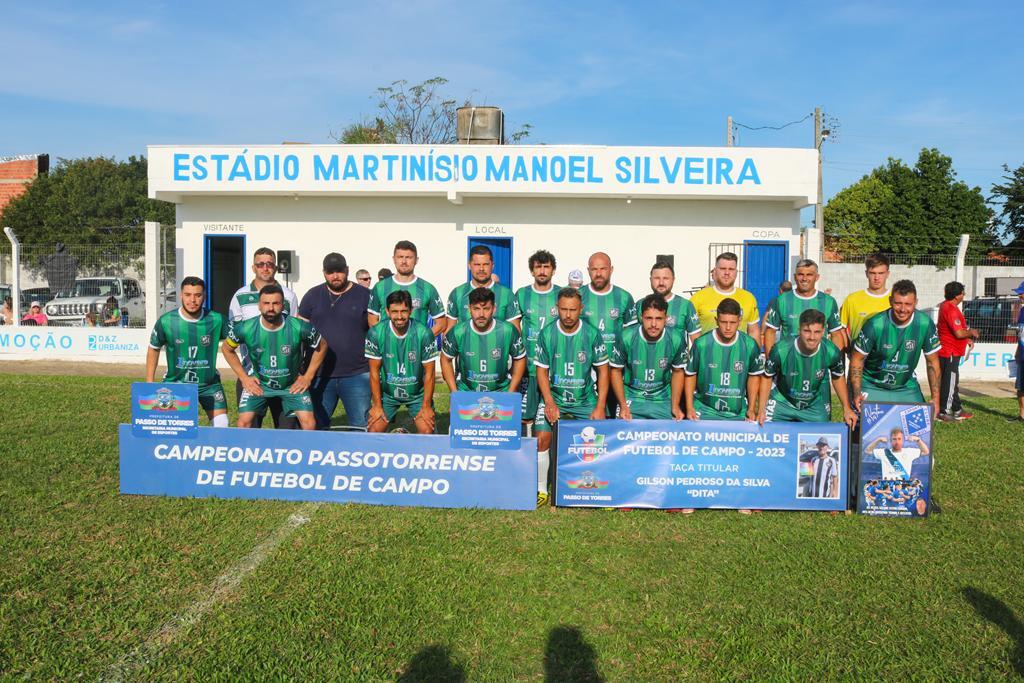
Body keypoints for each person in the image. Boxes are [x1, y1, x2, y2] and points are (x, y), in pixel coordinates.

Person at [534, 287, 610, 506]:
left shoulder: (592, 333)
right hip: (555, 397)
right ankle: (541, 490)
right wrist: (548, 401)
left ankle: (592, 488)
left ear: (581, 309)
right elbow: (542, 371)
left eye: (573, 310)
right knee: (541, 439)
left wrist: (599, 406)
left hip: (584, 399)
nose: (568, 315)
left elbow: (603, 370)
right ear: (556, 308)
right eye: (564, 309)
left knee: (597, 441)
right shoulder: (547, 333)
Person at [222, 284, 326, 430]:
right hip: (259, 383)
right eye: (266, 303)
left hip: (291, 384)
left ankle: (305, 452)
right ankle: (248, 451)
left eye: (275, 303)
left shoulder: (298, 326)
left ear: (283, 305)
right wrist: (244, 377)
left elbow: (322, 346)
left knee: (309, 423)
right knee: (243, 423)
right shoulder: (246, 327)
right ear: (259, 305)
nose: (270, 308)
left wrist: (308, 376)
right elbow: (226, 348)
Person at [298, 252, 372, 430]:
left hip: (357, 374)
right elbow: (298, 335)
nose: (335, 276)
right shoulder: (312, 296)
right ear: (324, 273)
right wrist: (301, 370)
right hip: (320, 375)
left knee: (360, 427)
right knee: (316, 426)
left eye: (339, 271)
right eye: (330, 272)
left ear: (347, 270)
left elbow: (377, 333)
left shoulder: (365, 295)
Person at [229, 247, 300, 429]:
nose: (265, 268)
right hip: (253, 377)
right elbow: (233, 336)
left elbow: (295, 334)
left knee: (287, 432)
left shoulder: (289, 296)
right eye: (261, 264)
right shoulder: (240, 296)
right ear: (253, 267)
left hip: (284, 377)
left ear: (275, 267)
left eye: (269, 264)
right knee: (250, 432)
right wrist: (244, 377)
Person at [146, 276, 229, 427]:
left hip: (209, 384)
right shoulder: (166, 321)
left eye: (198, 295)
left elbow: (239, 339)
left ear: (204, 296)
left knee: (222, 425)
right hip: (176, 383)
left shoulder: (217, 319)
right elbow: (154, 348)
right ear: (180, 295)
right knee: (176, 430)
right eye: (188, 295)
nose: (193, 300)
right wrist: (150, 382)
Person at [850, 280, 941, 415]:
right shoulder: (875, 324)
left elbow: (932, 362)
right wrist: (857, 392)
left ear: (916, 302)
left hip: (905, 386)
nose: (903, 309)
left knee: (919, 426)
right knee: (863, 426)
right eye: (898, 303)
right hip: (873, 384)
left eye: (908, 304)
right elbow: (857, 359)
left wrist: (936, 398)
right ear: (890, 300)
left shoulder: (924, 324)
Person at [758, 309, 857, 428]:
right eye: (807, 331)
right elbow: (766, 378)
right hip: (782, 400)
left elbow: (838, 377)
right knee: (765, 431)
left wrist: (846, 408)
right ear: (799, 330)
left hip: (813, 404)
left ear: (823, 332)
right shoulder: (781, 350)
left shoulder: (831, 351)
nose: (812, 337)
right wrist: (761, 410)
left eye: (817, 332)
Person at [365, 290, 439, 434]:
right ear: (387, 311)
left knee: (427, 432)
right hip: (388, 394)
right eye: (395, 311)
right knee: (373, 431)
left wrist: (426, 406)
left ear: (411, 310)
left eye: (404, 311)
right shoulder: (376, 333)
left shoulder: (424, 333)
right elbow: (374, 372)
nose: (399, 316)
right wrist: (377, 406)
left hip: (417, 394)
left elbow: (429, 373)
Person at [684, 297, 763, 421]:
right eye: (723, 322)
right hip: (704, 411)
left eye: (732, 322)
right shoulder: (701, 344)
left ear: (740, 321)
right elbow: (690, 375)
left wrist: (751, 409)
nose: (727, 327)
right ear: (716, 320)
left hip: (738, 413)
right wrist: (689, 408)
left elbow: (754, 377)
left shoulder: (750, 345)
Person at [610, 295, 687, 420]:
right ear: (641, 317)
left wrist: (675, 405)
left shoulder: (676, 339)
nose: (653, 324)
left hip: (662, 396)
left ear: (666, 319)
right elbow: (615, 371)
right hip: (632, 396)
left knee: (670, 435)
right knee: (623, 434)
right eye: (649, 318)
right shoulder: (626, 337)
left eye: (659, 318)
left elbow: (678, 372)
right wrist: (623, 405)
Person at [440, 287, 526, 393]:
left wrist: (511, 390)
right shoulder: (458, 332)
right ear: (469, 309)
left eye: (486, 309)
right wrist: (454, 392)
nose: (481, 314)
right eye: (476, 309)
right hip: (466, 392)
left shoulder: (508, 330)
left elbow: (520, 358)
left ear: (494, 309)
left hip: (501, 392)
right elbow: (445, 359)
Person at [580, 251, 635, 417]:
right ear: (588, 270)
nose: (598, 273)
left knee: (614, 415)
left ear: (611, 269)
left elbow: (630, 335)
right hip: (585, 366)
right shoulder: (579, 295)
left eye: (603, 269)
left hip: (615, 369)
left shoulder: (624, 297)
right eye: (594, 269)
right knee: (592, 415)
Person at [515, 250, 560, 436]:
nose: (542, 271)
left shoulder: (561, 294)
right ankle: (525, 457)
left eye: (546, 267)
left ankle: (548, 456)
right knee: (524, 417)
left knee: (552, 415)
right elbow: (515, 327)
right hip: (529, 368)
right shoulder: (521, 294)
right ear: (532, 271)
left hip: (555, 368)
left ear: (553, 270)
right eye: (538, 267)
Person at [762, 259, 844, 354]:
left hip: (819, 363)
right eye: (800, 274)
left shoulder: (829, 301)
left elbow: (836, 334)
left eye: (809, 275)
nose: (804, 278)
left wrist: (838, 364)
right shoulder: (781, 300)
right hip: (789, 362)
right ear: (795, 277)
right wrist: (770, 362)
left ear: (817, 277)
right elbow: (770, 332)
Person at [367, 241, 446, 336]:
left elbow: (441, 323)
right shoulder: (380, 287)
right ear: (394, 259)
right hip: (387, 349)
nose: (404, 261)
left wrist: (423, 340)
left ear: (416, 260)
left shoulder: (428, 289)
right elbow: (372, 318)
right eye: (400, 257)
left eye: (408, 257)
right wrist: (383, 338)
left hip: (417, 350)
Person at [445, 244, 521, 333]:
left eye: (486, 264)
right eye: (477, 264)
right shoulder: (457, 293)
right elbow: (449, 331)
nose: (481, 269)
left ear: (492, 266)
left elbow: (516, 332)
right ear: (469, 265)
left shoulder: (507, 295)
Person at [691, 252, 760, 342]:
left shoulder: (748, 298)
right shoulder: (698, 298)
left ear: (736, 272)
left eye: (731, 269)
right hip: (709, 355)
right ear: (715, 271)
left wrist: (755, 354)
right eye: (723, 269)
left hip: (739, 355)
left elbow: (753, 331)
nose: (727, 273)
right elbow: (692, 332)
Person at [936, 281, 979, 422]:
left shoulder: (945, 305)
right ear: (957, 296)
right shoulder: (952, 310)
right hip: (950, 352)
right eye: (962, 293)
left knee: (951, 382)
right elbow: (959, 333)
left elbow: (951, 331)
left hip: (948, 350)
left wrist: (967, 339)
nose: (964, 295)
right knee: (950, 382)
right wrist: (970, 332)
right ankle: (945, 411)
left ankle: (957, 408)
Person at [633, 260, 701, 342]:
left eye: (665, 278)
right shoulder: (639, 304)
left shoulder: (686, 305)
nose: (661, 283)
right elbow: (632, 337)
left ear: (673, 280)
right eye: (657, 278)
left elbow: (696, 342)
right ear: (650, 280)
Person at [840, 253, 892, 349]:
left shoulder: (895, 300)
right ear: (866, 273)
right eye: (872, 273)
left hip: (887, 360)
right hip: (858, 359)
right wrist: (848, 348)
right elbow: (840, 329)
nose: (876, 278)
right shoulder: (852, 299)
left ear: (888, 274)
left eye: (881, 273)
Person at [864, 427, 929, 480]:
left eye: (899, 439)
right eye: (894, 439)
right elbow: (867, 451)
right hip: (888, 488)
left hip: (903, 488)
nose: (897, 442)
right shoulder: (884, 452)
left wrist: (918, 440)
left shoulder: (909, 452)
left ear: (903, 440)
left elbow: (926, 452)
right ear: (891, 440)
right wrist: (878, 440)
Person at [1012, 281, 1024, 423]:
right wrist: (1017, 350)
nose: (1019, 295)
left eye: (1021, 292)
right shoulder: (1022, 311)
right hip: (1022, 354)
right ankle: (1022, 416)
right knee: (1020, 386)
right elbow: (1021, 334)